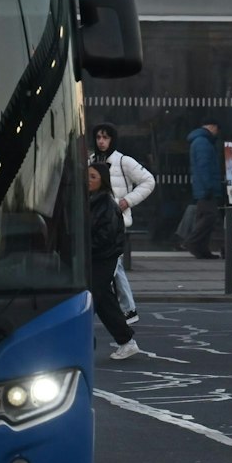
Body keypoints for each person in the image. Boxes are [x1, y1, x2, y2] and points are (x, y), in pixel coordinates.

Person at [91, 123, 155, 325]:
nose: (102, 141)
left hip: (116, 220)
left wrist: (127, 201)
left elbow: (148, 181)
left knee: (113, 266)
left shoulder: (123, 161)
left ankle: (127, 309)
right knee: (112, 266)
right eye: (98, 137)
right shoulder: (91, 161)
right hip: (98, 220)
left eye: (106, 137)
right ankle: (125, 309)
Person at [86, 162, 139, 359]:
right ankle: (126, 341)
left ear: (103, 181)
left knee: (91, 299)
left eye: (93, 177)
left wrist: (84, 246)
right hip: (95, 257)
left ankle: (79, 341)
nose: (88, 180)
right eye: (87, 176)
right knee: (103, 300)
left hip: (103, 258)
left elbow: (105, 238)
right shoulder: (90, 200)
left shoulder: (106, 205)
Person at [180, 121, 225, 258]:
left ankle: (202, 249)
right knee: (209, 217)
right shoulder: (203, 143)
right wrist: (209, 186)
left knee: (203, 217)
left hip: (203, 188)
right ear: (212, 127)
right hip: (206, 188)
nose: (217, 133)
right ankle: (192, 242)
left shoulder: (200, 141)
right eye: (217, 129)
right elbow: (204, 166)